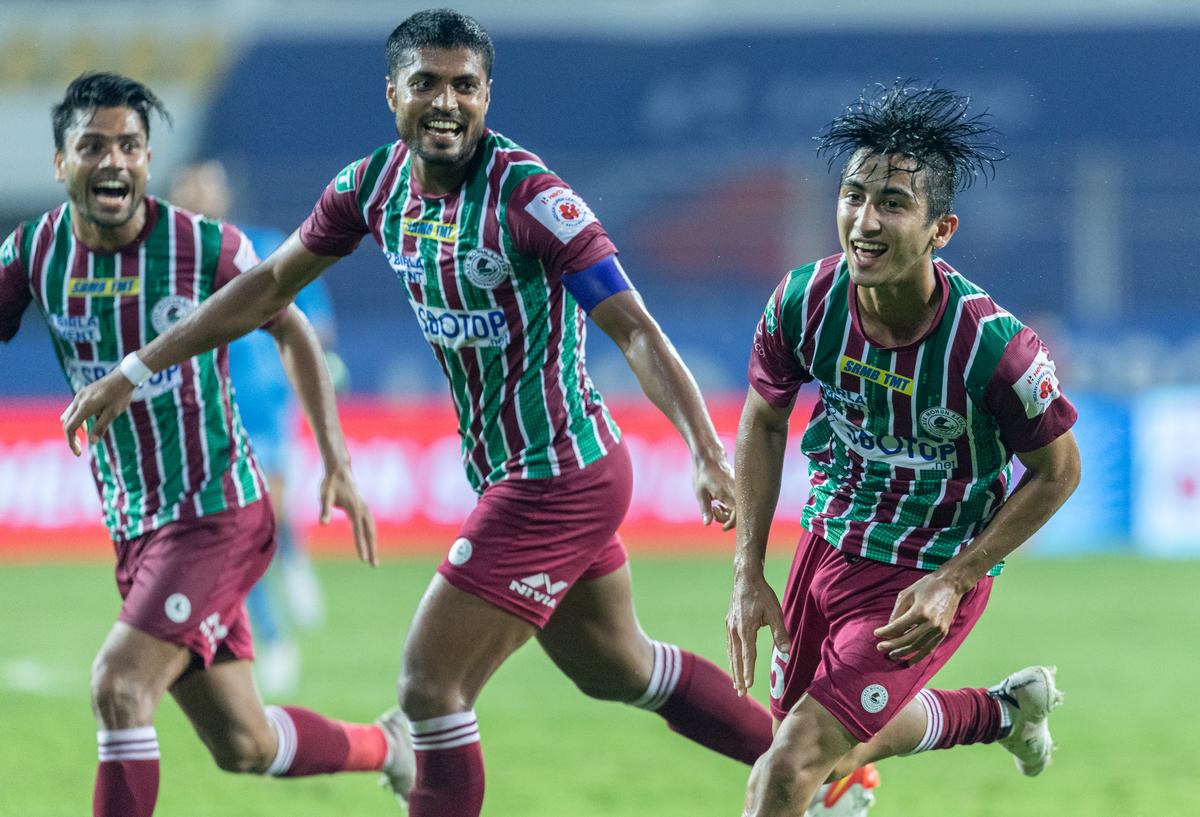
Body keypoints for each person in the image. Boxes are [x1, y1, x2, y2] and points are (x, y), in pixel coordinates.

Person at [57, 11, 888, 817]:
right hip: (518, 471)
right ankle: (824, 776)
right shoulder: (373, 187)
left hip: (557, 475)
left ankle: (815, 774)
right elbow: (270, 286)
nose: (446, 101)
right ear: (394, 94)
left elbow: (631, 327)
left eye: (465, 85)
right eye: (427, 84)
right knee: (619, 667)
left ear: (488, 96)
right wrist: (138, 367)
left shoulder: (531, 196)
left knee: (429, 683)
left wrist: (706, 449)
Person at [0, 72, 411, 817]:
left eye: (129, 144)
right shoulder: (34, 253)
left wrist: (337, 458)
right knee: (244, 742)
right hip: (136, 525)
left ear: (149, 161)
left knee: (119, 687)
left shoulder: (203, 246)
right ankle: (389, 745)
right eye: (92, 146)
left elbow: (292, 328)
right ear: (61, 163)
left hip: (217, 510)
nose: (113, 160)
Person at [725, 81, 1082, 816]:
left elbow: (1059, 471)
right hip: (827, 545)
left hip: (925, 571)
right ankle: (1002, 713)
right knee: (826, 747)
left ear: (940, 228)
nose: (864, 219)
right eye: (853, 195)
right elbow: (763, 419)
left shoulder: (993, 348)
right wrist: (747, 569)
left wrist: (957, 576)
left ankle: (844, 787)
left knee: (786, 765)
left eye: (892, 203)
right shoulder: (803, 301)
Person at [170, 159, 341, 696]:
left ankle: (292, 560)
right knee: (237, 529)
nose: (202, 195)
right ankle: (274, 635)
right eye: (193, 188)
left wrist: (317, 364)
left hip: (266, 402)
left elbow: (316, 321)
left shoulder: (265, 246)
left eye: (210, 186)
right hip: (204, 409)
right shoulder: (175, 263)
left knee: (265, 512)